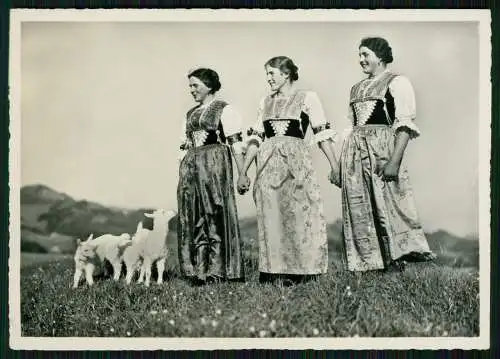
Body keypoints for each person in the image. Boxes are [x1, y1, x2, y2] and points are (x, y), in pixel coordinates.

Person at [333, 37, 436, 272]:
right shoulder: (356, 88)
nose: (361, 60)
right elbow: (350, 127)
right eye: (359, 55)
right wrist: (341, 164)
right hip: (354, 153)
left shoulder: (397, 83)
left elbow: (404, 126)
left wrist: (394, 163)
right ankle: (367, 266)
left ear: (380, 56)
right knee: (360, 207)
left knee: (387, 206)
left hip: (383, 152)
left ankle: (394, 266)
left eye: (365, 54)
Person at [238, 56, 339, 285]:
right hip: (267, 166)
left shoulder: (308, 98)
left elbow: (322, 134)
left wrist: (335, 165)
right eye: (267, 74)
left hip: (297, 165)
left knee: (301, 215)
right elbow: (255, 139)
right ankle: (274, 273)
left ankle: (304, 273)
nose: (268, 78)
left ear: (286, 74)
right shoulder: (265, 102)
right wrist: (243, 171)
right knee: (271, 218)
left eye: (271, 74)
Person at [177, 67, 246, 285]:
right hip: (191, 167)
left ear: (208, 85)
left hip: (214, 165)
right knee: (194, 215)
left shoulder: (224, 109)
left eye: (195, 85)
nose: (191, 90)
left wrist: (242, 173)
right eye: (190, 86)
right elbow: (184, 145)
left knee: (214, 213)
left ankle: (218, 270)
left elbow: (235, 144)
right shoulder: (189, 114)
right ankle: (199, 270)